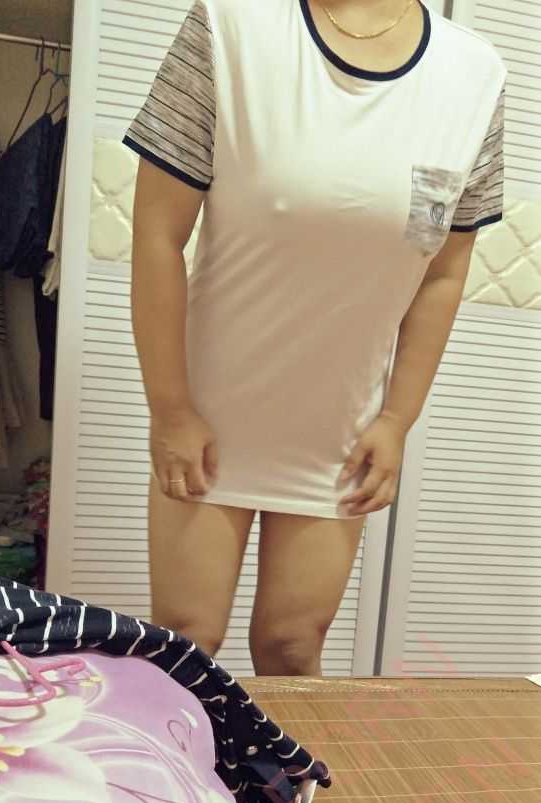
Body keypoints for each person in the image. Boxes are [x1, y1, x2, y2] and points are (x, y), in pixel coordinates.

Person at [122, 0, 506, 677]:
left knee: (293, 645)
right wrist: (170, 409)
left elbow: (443, 272)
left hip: (339, 430)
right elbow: (157, 234)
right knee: (186, 640)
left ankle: (279, 759)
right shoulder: (231, 24)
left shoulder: (474, 73)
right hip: (209, 416)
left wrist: (396, 420)